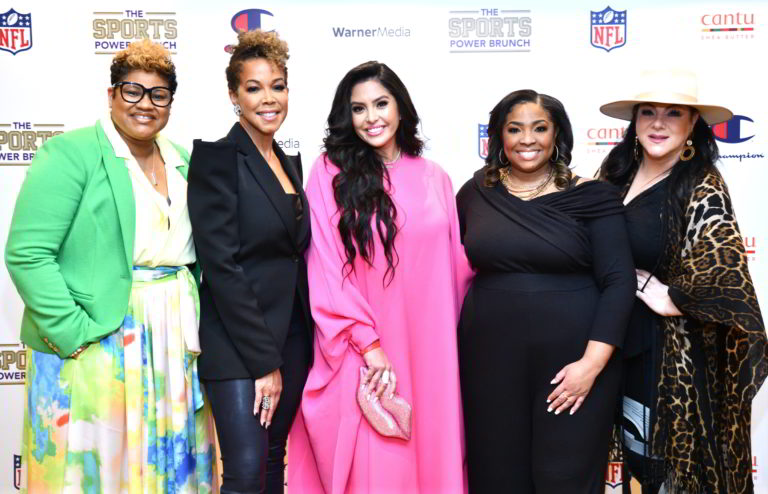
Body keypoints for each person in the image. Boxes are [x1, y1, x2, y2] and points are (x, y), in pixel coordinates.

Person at [5, 39, 213, 493]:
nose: (145, 104)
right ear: (111, 94)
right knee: (95, 472)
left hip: (171, 344)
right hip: (97, 341)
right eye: (132, 90)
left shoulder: (183, 161)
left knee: (166, 472)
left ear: (171, 103)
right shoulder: (71, 153)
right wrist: (72, 333)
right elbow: (27, 253)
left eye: (158, 94)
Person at [286, 61, 472, 494]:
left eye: (381, 103)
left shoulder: (435, 177)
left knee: (430, 445)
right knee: (378, 456)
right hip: (367, 348)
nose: (372, 117)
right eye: (358, 108)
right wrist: (367, 344)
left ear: (401, 108)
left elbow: (457, 267)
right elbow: (325, 265)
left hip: (432, 350)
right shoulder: (330, 172)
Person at [456, 89, 636, 493]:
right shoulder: (475, 193)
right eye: (514, 129)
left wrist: (591, 366)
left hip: (573, 368)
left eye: (540, 128)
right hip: (489, 365)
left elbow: (619, 282)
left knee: (563, 478)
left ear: (557, 134)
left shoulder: (593, 196)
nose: (527, 139)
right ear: (499, 136)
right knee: (497, 476)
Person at [598, 69, 767, 494]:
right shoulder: (615, 174)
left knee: (665, 470)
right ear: (634, 122)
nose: (658, 123)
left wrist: (673, 296)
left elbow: (728, 278)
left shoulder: (700, 184)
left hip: (667, 356)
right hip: (612, 342)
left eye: (673, 113)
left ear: (693, 124)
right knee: (636, 461)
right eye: (648, 112)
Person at [187, 30, 312, 494]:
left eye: (277, 85)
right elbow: (221, 265)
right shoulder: (217, 159)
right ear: (233, 96)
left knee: (271, 463)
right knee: (244, 471)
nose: (268, 98)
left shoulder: (289, 161)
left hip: (293, 336)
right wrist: (263, 361)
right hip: (240, 343)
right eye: (254, 87)